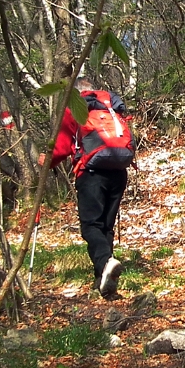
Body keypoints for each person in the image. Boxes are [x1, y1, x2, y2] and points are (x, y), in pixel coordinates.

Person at [43, 79, 133, 297]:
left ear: (76, 93)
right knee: (106, 227)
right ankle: (101, 281)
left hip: (91, 174)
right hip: (119, 172)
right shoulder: (110, 107)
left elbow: (62, 147)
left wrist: (47, 160)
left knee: (91, 226)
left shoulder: (76, 108)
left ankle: (105, 263)